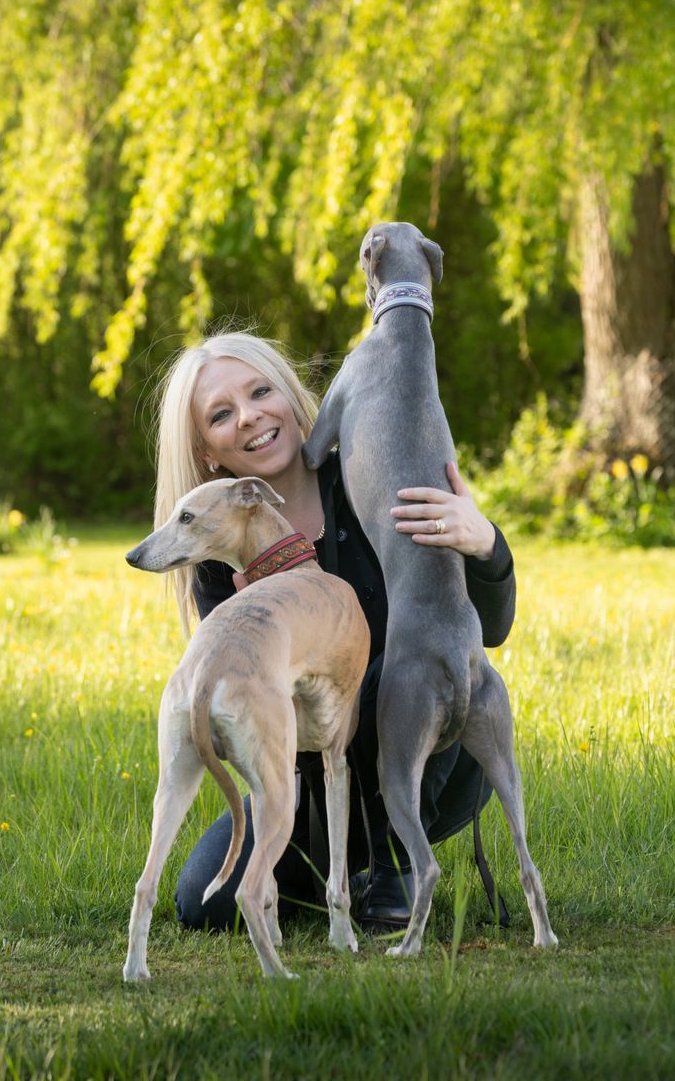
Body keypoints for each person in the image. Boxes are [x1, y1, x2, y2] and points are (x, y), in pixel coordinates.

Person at [153, 330, 516, 932]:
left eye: (260, 391)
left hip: (430, 745)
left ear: (292, 400)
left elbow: (492, 631)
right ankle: (339, 867)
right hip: (308, 776)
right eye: (221, 414)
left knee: (380, 676)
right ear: (208, 452)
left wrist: (485, 547)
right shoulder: (220, 557)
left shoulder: (378, 477)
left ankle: (396, 867)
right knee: (203, 903)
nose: (249, 417)